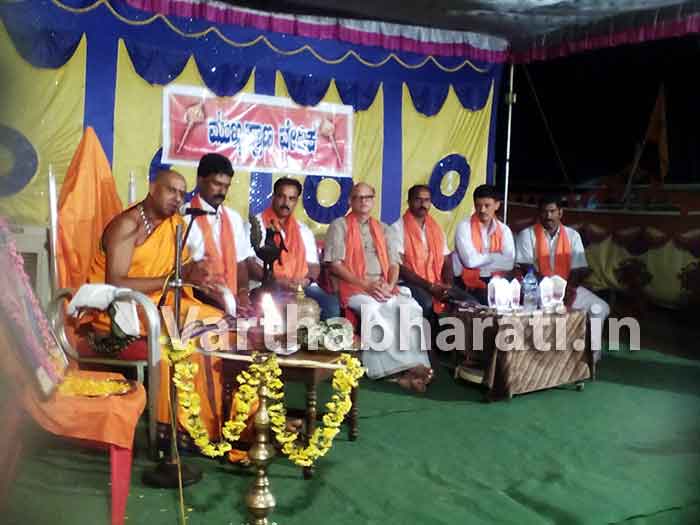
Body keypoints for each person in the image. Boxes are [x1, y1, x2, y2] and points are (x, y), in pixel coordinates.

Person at [84, 169, 253, 461]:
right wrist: (176, 278)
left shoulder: (175, 225)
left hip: (165, 303)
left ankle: (232, 425)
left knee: (226, 328)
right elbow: (116, 282)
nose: (177, 198)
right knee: (192, 338)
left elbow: (181, 270)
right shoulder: (127, 225)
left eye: (182, 193)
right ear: (153, 188)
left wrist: (199, 275)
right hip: (125, 310)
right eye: (171, 190)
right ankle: (181, 431)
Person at [324, 182, 433, 392]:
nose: (363, 201)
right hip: (354, 286)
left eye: (368, 197)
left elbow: (394, 264)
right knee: (373, 309)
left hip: (383, 286)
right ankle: (399, 370)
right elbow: (335, 265)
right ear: (350, 201)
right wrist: (366, 285)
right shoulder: (339, 226)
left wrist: (389, 285)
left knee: (409, 307)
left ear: (373, 200)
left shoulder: (384, 228)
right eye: (358, 197)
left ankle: (411, 369)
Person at [515, 195, 610, 361]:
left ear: (560, 212)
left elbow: (578, 269)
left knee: (600, 308)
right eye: (544, 212)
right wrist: (549, 287)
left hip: (567, 288)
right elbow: (526, 268)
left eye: (552, 211)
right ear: (539, 213)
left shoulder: (572, 235)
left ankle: (591, 358)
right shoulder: (527, 235)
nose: (548, 216)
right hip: (537, 290)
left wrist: (567, 290)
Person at [248, 177, 341, 321]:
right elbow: (249, 264)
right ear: (273, 197)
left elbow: (313, 266)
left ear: (296, 201)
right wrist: (278, 281)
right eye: (282, 196)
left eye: (291, 199)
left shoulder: (303, 230)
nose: (286, 203)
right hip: (266, 285)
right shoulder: (255, 225)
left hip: (300, 287)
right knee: (287, 307)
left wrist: (307, 280)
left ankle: (318, 336)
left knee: (331, 305)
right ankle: (285, 335)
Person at [392, 184, 476, 319]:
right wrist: (430, 287)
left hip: (436, 282)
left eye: (426, 200)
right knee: (427, 304)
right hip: (409, 284)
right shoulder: (397, 228)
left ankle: (455, 332)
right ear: (409, 202)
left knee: (470, 303)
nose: (423, 204)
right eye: (418, 199)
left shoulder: (436, 228)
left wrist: (448, 285)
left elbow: (447, 260)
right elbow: (400, 268)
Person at [185, 153, 254, 316]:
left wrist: (243, 293)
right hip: (199, 299)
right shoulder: (185, 218)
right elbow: (190, 274)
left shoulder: (234, 218)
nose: (222, 191)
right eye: (216, 184)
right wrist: (223, 300)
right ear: (200, 180)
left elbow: (241, 264)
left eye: (226, 186)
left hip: (232, 299)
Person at [453, 184, 515, 303]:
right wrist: (494, 257)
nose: (482, 210)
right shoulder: (464, 227)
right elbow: (470, 262)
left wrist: (481, 259)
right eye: (478, 205)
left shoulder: (504, 230)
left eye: (487, 205)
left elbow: (509, 263)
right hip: (466, 284)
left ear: (497, 205)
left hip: (496, 281)